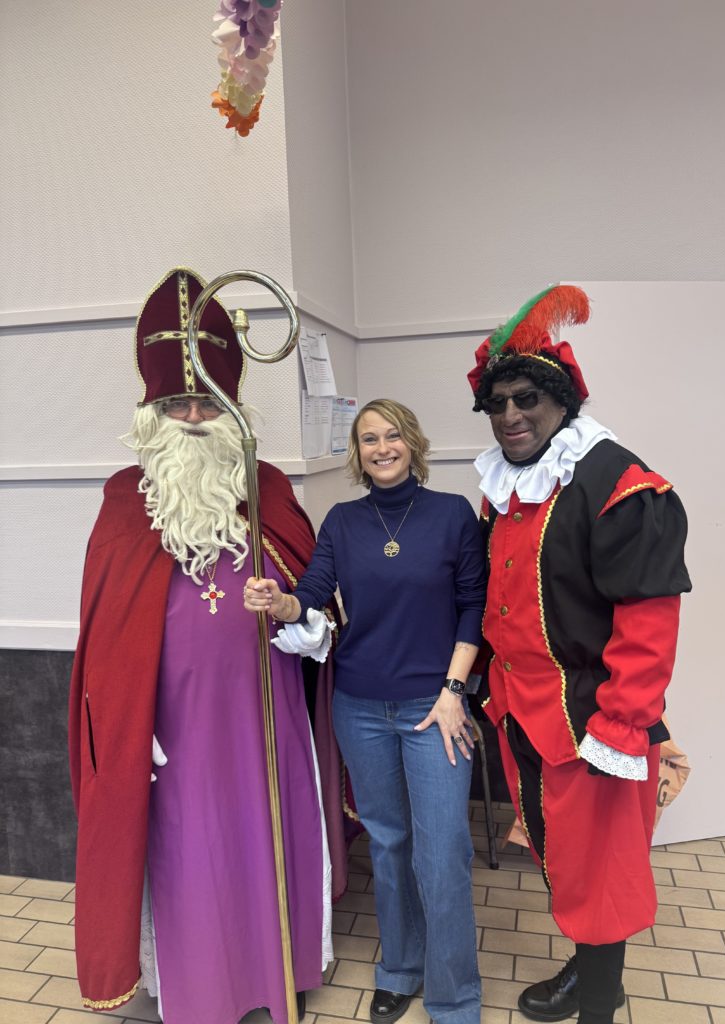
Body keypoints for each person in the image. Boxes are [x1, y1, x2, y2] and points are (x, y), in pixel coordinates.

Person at [68, 267, 350, 1024]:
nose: (194, 416)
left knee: (269, 841)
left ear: (233, 407)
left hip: (267, 722)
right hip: (174, 733)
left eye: (207, 402)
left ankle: (279, 972)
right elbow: (107, 641)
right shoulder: (124, 502)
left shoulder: (270, 490)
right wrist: (128, 724)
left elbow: (321, 612)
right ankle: (199, 990)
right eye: (177, 403)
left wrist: (296, 615)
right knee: (194, 857)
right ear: (152, 411)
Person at [467, 285, 691, 1024]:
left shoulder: (617, 482)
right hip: (522, 712)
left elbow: (648, 624)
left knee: (603, 871)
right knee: (564, 857)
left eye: (526, 399)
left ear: (562, 402)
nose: (510, 416)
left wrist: (621, 727)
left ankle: (599, 1001)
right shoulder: (504, 487)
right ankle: (592, 971)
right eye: (497, 404)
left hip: (593, 721)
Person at [245, 399, 486, 1024]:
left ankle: (454, 996)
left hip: (436, 707)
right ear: (357, 452)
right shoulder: (343, 522)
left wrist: (454, 691)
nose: (383, 448)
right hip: (360, 706)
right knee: (389, 842)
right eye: (369, 439)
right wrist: (281, 602)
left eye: (393, 435)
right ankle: (400, 969)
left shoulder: (452, 514)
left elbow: (473, 606)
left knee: (444, 851)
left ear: (413, 442)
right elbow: (313, 593)